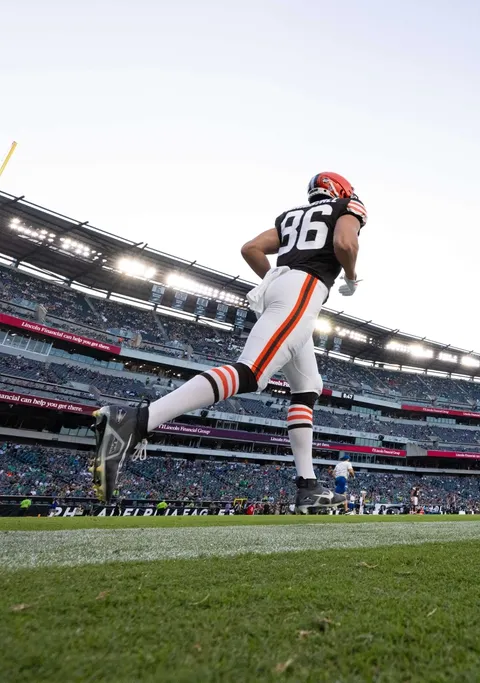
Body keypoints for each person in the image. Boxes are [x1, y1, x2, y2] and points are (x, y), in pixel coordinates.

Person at [91, 172, 366, 513]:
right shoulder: (347, 205)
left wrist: (275, 279)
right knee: (250, 373)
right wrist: (352, 277)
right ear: (341, 191)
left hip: (282, 286)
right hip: (305, 290)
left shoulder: (292, 216)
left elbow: (250, 248)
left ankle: (307, 486)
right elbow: (344, 244)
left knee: (308, 387)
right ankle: (137, 419)